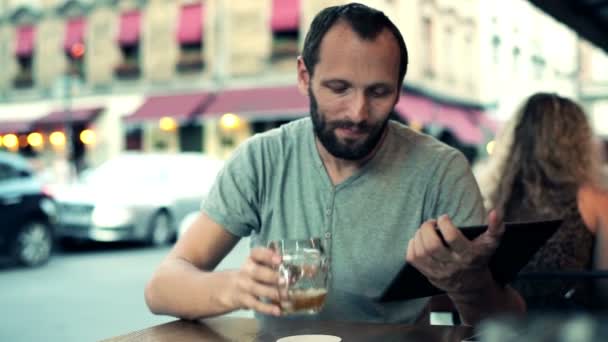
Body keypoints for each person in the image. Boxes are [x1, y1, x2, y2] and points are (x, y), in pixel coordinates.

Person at [145, 3, 524, 325]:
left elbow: (509, 321)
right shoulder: (261, 159)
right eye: (338, 88)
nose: (357, 113)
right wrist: (236, 287)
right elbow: (161, 287)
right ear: (304, 77)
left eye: (378, 92)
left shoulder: (441, 171)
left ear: (398, 88)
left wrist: (470, 284)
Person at [476, 92, 608, 310]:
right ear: (579, 142)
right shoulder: (593, 199)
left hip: (500, 326)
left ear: (515, 138)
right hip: (570, 330)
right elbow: (606, 290)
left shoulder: (490, 198)